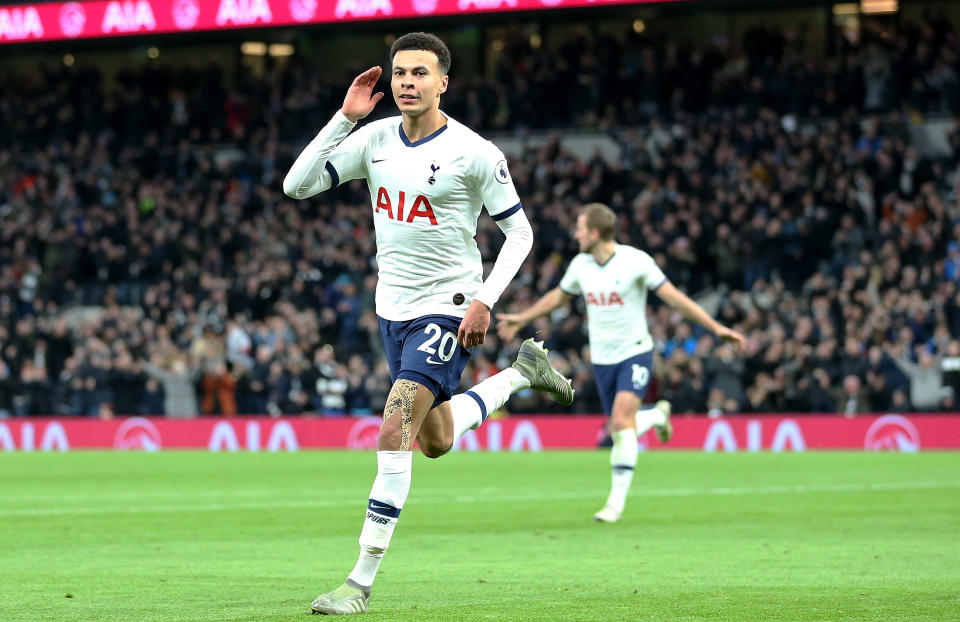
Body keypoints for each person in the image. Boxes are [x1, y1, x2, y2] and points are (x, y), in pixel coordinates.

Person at [283, 32, 574, 615]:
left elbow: (521, 233)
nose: (406, 83)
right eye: (399, 73)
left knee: (393, 428)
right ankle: (520, 376)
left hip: (449, 304)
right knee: (434, 438)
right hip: (391, 309)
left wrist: (485, 298)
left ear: (444, 82)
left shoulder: (475, 152)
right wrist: (343, 118)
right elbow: (298, 185)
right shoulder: (373, 139)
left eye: (419, 73)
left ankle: (357, 583)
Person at [497, 203, 746, 523]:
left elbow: (674, 297)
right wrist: (522, 318)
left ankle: (614, 504)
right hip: (602, 360)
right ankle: (656, 415)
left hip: (635, 352)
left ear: (595, 232)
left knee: (620, 420)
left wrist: (715, 328)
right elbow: (558, 297)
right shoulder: (580, 265)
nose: (575, 233)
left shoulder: (636, 261)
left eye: (580, 228)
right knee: (620, 427)